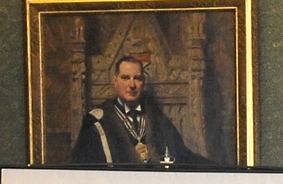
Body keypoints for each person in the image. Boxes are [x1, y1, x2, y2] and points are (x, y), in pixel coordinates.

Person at [67, 54, 208, 167]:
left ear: (143, 82)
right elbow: (82, 169)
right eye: (125, 78)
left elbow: (183, 156)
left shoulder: (157, 118)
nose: (132, 84)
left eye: (137, 78)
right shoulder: (98, 122)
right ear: (115, 81)